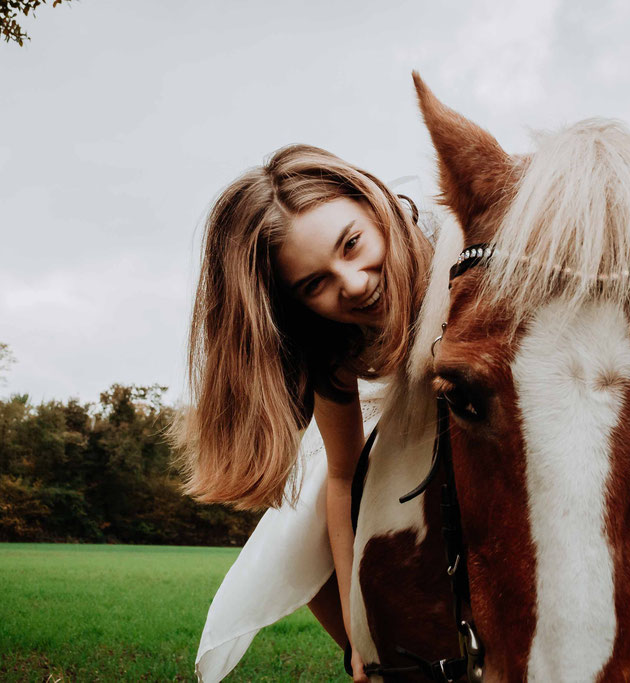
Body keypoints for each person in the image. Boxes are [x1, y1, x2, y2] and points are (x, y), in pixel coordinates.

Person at [172, 144, 434, 682]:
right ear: (297, 304)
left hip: (466, 398)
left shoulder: (451, 239)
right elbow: (343, 475)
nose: (355, 283)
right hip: (387, 415)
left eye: (352, 244)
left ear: (374, 202)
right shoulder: (330, 348)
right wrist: (359, 626)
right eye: (316, 284)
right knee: (302, 522)